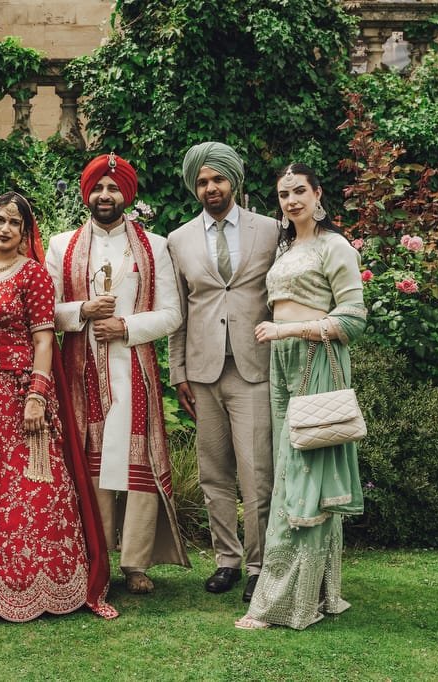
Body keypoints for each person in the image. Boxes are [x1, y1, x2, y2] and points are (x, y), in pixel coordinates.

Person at [0, 191, 116, 622]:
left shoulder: (32, 274)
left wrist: (36, 394)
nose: (6, 229)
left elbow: (44, 338)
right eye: (0, 220)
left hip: (19, 395)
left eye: (16, 223)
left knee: (28, 490)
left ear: (26, 231)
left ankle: (30, 585)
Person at [45, 153, 190, 595]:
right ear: (86, 193)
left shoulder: (156, 246)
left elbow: (172, 315)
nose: (104, 195)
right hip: (81, 367)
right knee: (91, 465)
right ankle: (97, 559)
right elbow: (44, 311)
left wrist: (126, 326)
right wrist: (82, 311)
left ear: (127, 194)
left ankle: (136, 563)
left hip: (133, 368)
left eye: (113, 188)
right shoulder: (61, 245)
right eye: (97, 188)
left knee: (134, 462)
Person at [235, 163, 366, 630]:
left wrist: (286, 329)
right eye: (283, 194)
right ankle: (319, 592)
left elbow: (352, 319)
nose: (291, 201)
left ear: (317, 194)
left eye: (299, 192)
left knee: (302, 474)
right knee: (289, 471)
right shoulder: (288, 247)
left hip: (317, 361)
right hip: (282, 363)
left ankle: (282, 604)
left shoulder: (335, 246)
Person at [167, 142, 279, 602]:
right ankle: (226, 561)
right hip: (202, 371)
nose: (210, 187)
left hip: (254, 367)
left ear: (234, 181)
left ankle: (259, 565)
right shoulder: (179, 239)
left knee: (257, 475)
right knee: (214, 474)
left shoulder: (271, 230)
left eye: (217, 179)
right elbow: (178, 312)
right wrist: (178, 373)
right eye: (202, 181)